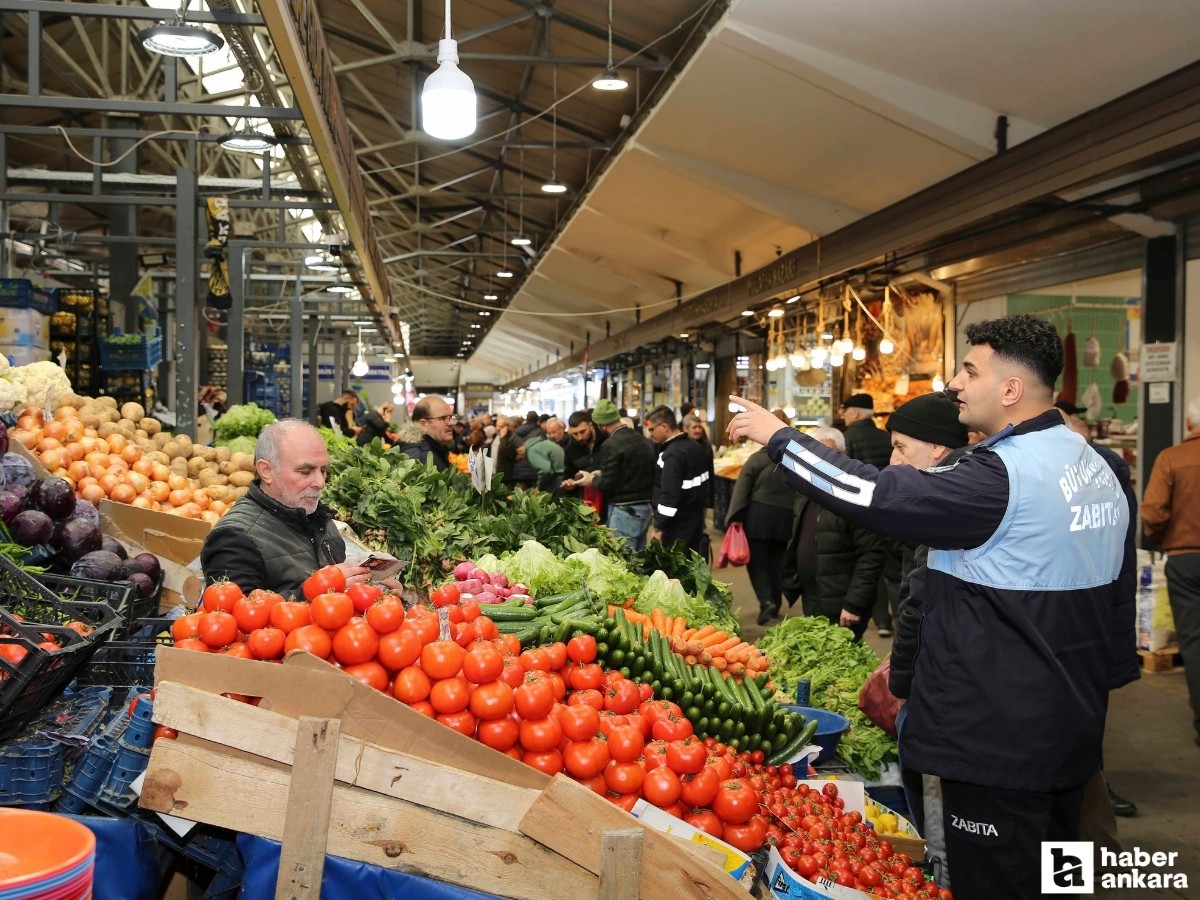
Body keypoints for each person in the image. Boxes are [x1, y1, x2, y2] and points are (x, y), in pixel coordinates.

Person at [727, 314, 1128, 900]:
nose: (956, 385)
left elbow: (876, 495)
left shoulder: (1001, 477)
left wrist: (781, 438)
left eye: (970, 371)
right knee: (1062, 881)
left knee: (994, 883)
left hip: (997, 746)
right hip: (1071, 735)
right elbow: (1116, 601)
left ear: (1010, 390)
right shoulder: (1097, 466)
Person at [882, 392, 971, 842]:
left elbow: (917, 601)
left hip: (943, 689)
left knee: (938, 817)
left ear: (937, 447)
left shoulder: (945, 500)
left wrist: (901, 683)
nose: (892, 457)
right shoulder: (950, 489)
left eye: (901, 446)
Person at [201, 419, 370, 598]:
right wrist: (310, 592)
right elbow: (235, 615)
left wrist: (376, 592)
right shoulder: (233, 538)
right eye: (305, 471)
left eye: (323, 470)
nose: (320, 483)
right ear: (266, 471)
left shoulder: (318, 517)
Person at [1140, 394, 1200, 751]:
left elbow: (1153, 514)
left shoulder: (1172, 459)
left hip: (1186, 560)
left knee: (1194, 641)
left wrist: (1168, 540)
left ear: (1190, 424)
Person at [727, 409, 801, 625]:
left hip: (758, 519)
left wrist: (734, 517)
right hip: (785, 519)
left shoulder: (757, 459)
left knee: (758, 563)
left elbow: (742, 489)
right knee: (778, 562)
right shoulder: (794, 459)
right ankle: (775, 602)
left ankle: (765, 600)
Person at [839, 392, 898, 637]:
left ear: (854, 413)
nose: (842, 416)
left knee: (867, 562)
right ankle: (887, 621)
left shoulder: (847, 438)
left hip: (861, 509)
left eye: (845, 412)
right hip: (891, 507)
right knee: (887, 564)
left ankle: (876, 616)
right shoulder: (886, 437)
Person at [564, 398, 654, 550]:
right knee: (639, 558)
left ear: (601, 425)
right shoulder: (638, 438)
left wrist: (592, 479)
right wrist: (602, 472)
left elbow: (608, 483)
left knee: (622, 560)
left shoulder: (611, 444)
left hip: (624, 512)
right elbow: (628, 471)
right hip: (644, 509)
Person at [645, 405, 711, 555]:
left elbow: (669, 496)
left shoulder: (672, 455)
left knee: (677, 571)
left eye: (652, 429)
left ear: (664, 427)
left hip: (677, 527)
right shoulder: (695, 447)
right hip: (695, 520)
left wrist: (659, 526)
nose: (650, 434)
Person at [401, 396, 454, 471]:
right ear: (423, 424)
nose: (451, 423)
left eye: (451, 417)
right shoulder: (420, 458)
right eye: (442, 418)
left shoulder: (431, 449)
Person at [519, 425, 565, 493]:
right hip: (565, 473)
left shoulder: (531, 450)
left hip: (559, 478)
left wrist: (540, 487)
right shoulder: (541, 443)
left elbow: (545, 470)